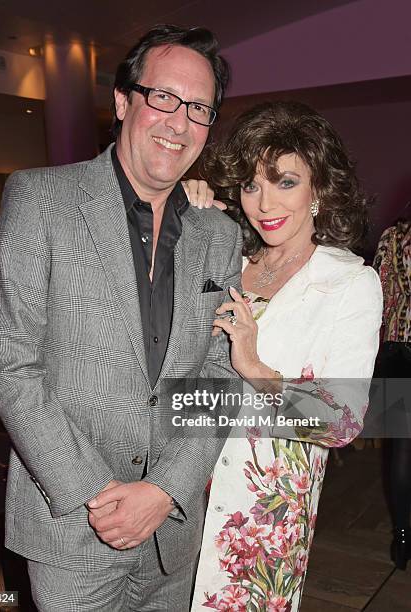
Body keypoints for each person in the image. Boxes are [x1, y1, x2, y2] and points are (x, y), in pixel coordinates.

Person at [0, 25, 243, 612]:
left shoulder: (220, 235)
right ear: (123, 101)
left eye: (199, 108)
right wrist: (100, 495)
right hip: (71, 524)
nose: (179, 121)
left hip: (171, 534)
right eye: (163, 97)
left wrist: (163, 489)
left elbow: (220, 376)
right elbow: (13, 363)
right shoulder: (39, 200)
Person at [185, 101, 383, 610]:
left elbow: (343, 421)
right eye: (251, 185)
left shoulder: (349, 283)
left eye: (285, 182)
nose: (264, 203)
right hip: (180, 489)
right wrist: (183, 212)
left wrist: (256, 369)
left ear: (320, 188)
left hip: (260, 522)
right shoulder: (227, 255)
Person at [373, 217, 411, 569]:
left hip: (396, 349)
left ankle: (402, 537)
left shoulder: (394, 236)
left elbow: (378, 291)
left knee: (401, 446)